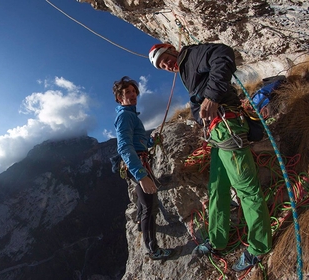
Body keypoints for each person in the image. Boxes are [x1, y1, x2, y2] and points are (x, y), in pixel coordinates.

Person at [148, 43, 272, 271]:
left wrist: (212, 97)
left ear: (172, 49)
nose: (166, 65)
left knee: (246, 189)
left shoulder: (192, 55)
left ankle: (259, 246)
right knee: (217, 188)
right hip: (217, 134)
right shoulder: (186, 68)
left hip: (227, 126)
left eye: (165, 58)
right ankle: (218, 240)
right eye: (162, 66)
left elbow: (224, 54)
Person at [113, 76, 172, 260]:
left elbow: (138, 142)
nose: (132, 95)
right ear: (120, 98)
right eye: (127, 93)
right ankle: (153, 250)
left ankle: (140, 222)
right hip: (138, 164)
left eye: (133, 92)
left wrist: (151, 141)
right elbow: (124, 146)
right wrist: (141, 175)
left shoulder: (131, 115)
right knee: (150, 206)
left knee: (144, 201)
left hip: (139, 160)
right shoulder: (124, 116)